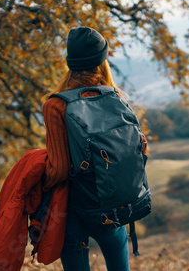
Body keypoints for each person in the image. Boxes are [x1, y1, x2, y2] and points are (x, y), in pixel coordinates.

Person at [43, 27, 130, 271]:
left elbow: (59, 170)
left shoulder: (56, 105)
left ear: (70, 62)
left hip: (72, 211)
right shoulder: (117, 98)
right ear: (103, 62)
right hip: (111, 204)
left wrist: (41, 182)